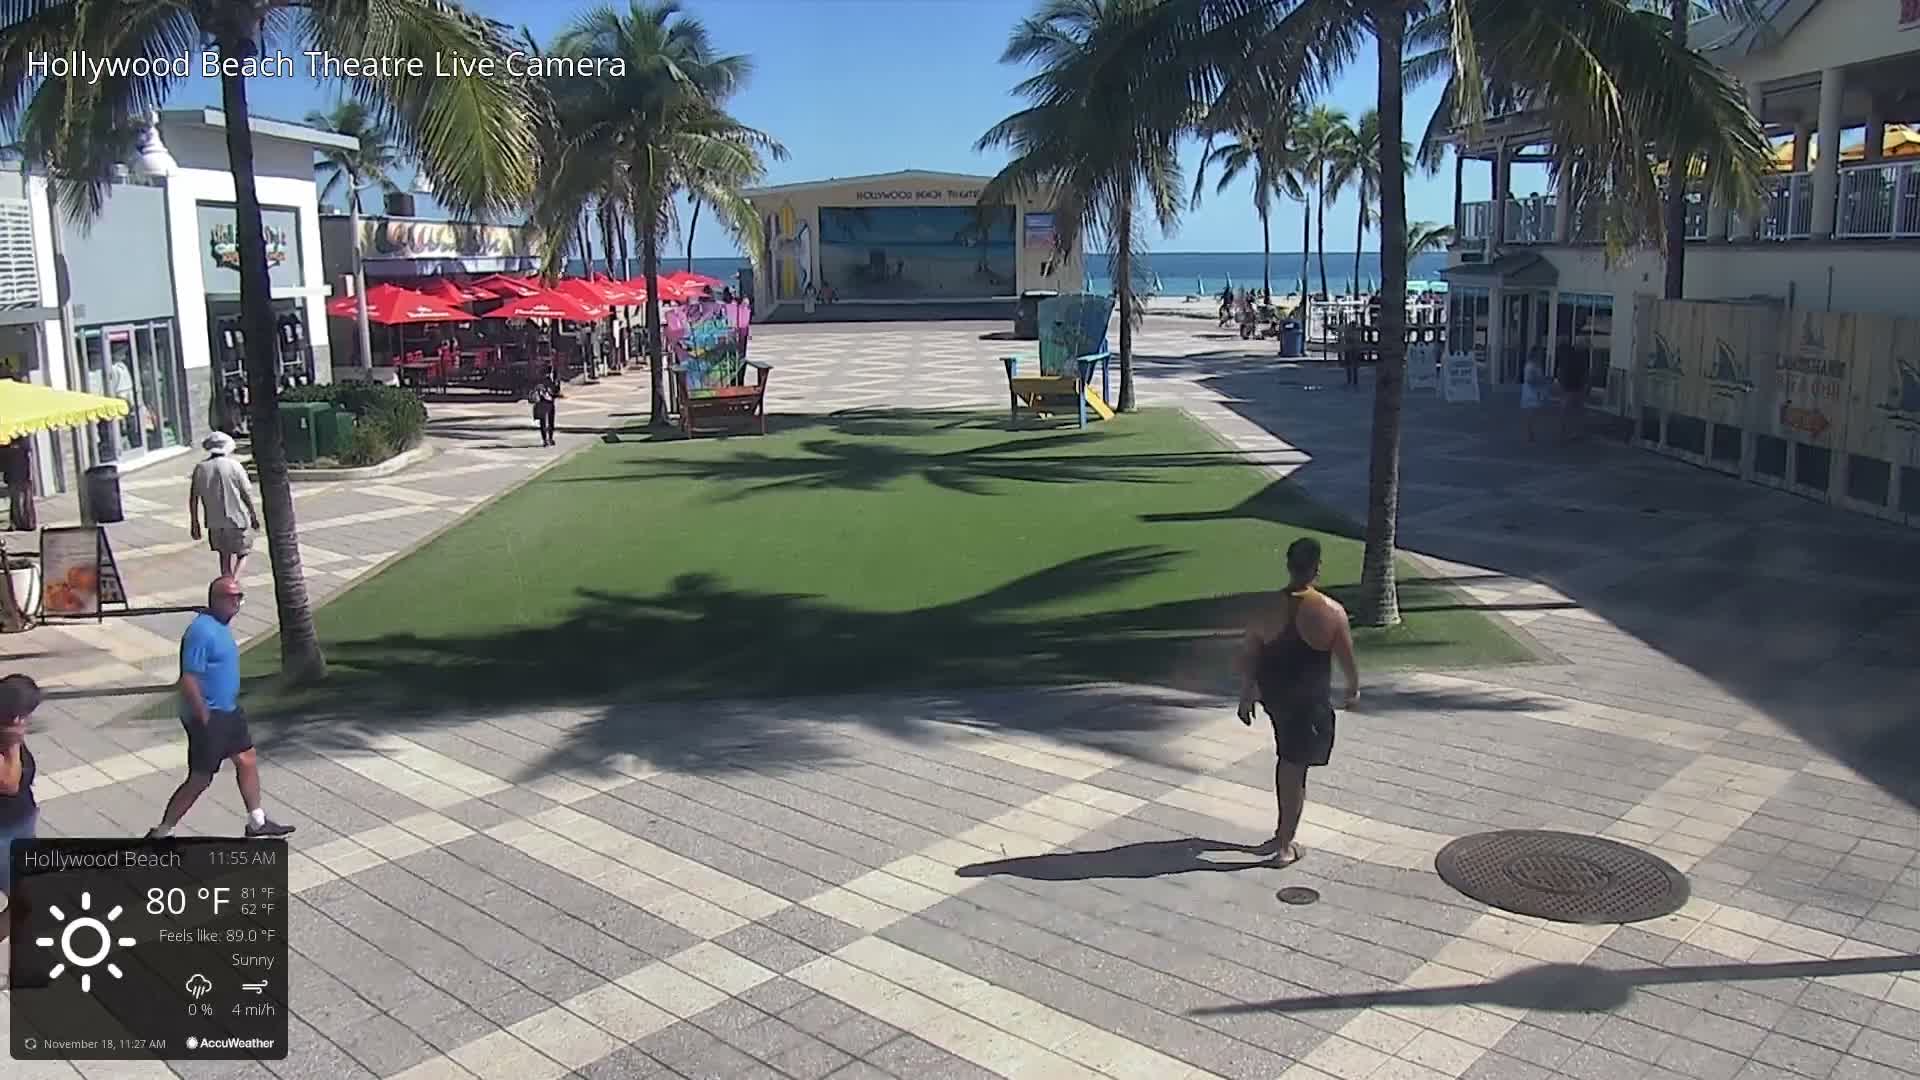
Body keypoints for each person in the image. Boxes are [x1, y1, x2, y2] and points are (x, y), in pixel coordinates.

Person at [1236, 538, 1359, 866]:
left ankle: (1281, 833)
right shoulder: (1332, 612)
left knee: (1289, 761)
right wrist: (1353, 690)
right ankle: (1285, 845)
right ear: (1317, 568)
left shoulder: (1264, 608)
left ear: (1288, 565)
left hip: (1275, 699)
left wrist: (1246, 693)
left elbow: (1249, 655)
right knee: (1294, 767)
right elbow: (1346, 658)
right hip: (1308, 703)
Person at [147, 578, 293, 840]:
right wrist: (203, 715)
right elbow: (189, 678)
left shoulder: (221, 626)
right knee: (200, 779)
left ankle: (257, 823)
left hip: (229, 711)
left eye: (240, 596)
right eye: (232, 597)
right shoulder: (201, 632)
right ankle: (161, 832)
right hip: (209, 716)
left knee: (246, 759)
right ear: (216, 598)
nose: (237, 602)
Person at [0, 674, 41, 948]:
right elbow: (8, 783)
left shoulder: (7, 728)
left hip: (21, 827)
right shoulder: (9, 737)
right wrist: (14, 744)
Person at [188, 432, 260, 578]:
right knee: (243, 553)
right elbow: (245, 493)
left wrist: (194, 522)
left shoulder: (200, 468)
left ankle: (225, 582)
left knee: (224, 555)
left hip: (214, 522)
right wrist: (253, 514)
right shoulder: (234, 466)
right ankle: (233, 583)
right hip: (237, 519)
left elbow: (193, 498)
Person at [1556, 340, 1589, 443]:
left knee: (1568, 410)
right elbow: (1585, 373)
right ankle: (1571, 432)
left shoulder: (1569, 356)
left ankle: (1566, 432)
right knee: (1575, 411)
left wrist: (1561, 383)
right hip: (1574, 386)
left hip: (1570, 386)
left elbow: (1560, 370)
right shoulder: (1579, 357)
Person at [1, 437, 34, 532]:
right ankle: (24, 522)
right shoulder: (22, 446)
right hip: (20, 474)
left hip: (18, 475)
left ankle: (22, 522)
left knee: (19, 499)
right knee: (21, 499)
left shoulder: (11, 447)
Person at [1520, 351, 1552, 442]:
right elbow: (1530, 379)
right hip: (1531, 393)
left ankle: (1531, 433)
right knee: (1531, 414)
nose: (1541, 357)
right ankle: (1530, 434)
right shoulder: (1531, 366)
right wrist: (1542, 380)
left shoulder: (1534, 365)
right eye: (1539, 355)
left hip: (1534, 392)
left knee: (1533, 413)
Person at [530, 377, 557, 447]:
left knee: (550, 421)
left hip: (549, 402)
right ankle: (546, 440)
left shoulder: (553, 378)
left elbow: (555, 390)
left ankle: (549, 439)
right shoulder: (542, 379)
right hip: (542, 402)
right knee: (544, 422)